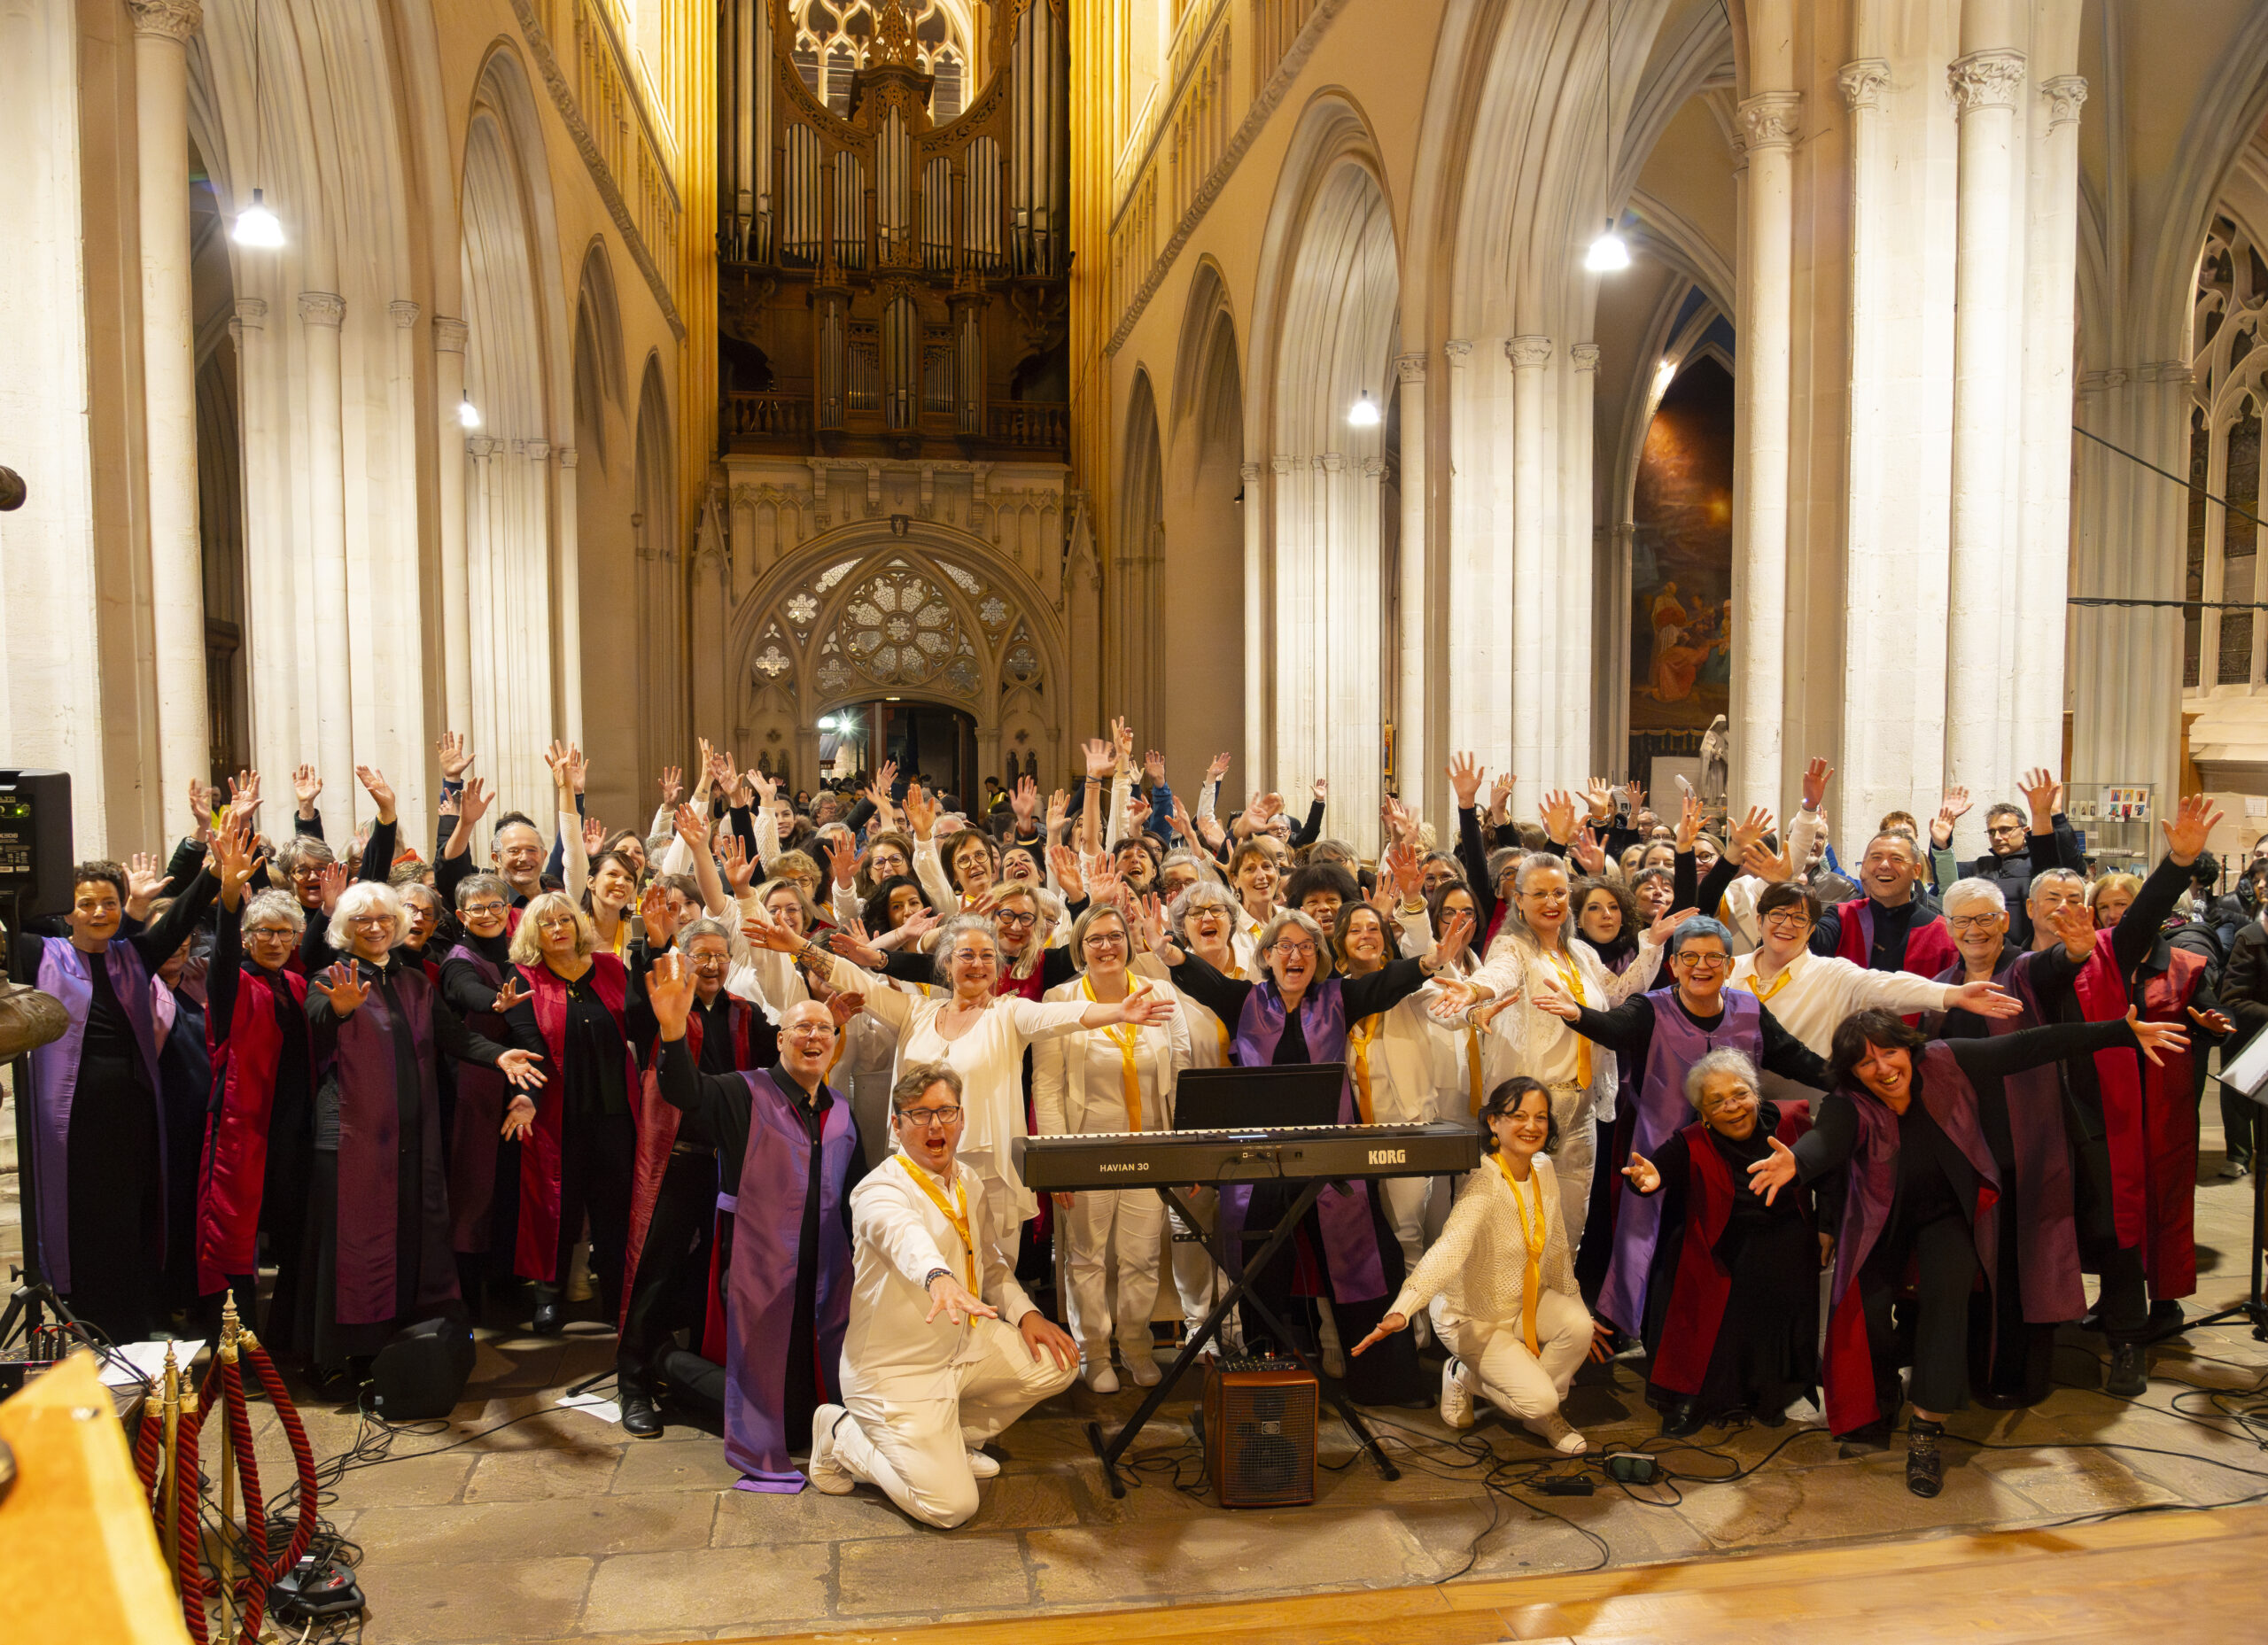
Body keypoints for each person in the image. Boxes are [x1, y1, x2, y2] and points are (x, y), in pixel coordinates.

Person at [1749, 1005, 2185, 1496]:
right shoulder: (1848, 1103)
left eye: (1889, 1053)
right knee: (1865, 1316)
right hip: (1878, 1221)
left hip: (1946, 1216)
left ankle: (1926, 1433)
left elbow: (2029, 1046)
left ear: (1908, 1049)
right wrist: (1798, 1161)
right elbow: (1827, 1141)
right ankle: (1880, 1400)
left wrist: (2118, 1030)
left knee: (1947, 1305)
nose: (1883, 1069)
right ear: (1852, 1072)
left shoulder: (1944, 1061)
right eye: (1866, 1062)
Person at [1153, 904, 1477, 1402]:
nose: (1296, 955)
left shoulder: (1337, 997)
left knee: (1366, 1261)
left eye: (1307, 947)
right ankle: (1265, 1387)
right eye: (1285, 946)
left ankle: (1383, 1383)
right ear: (1267, 955)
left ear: (1319, 957)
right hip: (1258, 1163)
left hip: (1331, 1160)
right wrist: (1170, 952)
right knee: (1261, 1270)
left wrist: (1428, 963)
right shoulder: (1245, 1000)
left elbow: (1384, 984)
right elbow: (1205, 981)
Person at [751, 907, 1175, 1270]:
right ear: (945, 963)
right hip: (920, 1170)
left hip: (989, 1177)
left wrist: (1117, 1011)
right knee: (927, 1277)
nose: (978, 964)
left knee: (992, 1283)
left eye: (988, 956)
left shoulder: (1009, 1015)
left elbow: (1063, 1017)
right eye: (966, 955)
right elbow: (855, 980)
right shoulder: (915, 1012)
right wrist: (798, 946)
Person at [1528, 915, 1831, 1342]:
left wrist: (1854, 1081)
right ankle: (1647, 1337)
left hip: (1732, 1161)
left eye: (1713, 958)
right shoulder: (1650, 1008)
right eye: (1689, 957)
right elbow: (1614, 1029)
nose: (1700, 966)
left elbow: (1795, 1057)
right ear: (1673, 965)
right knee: (1659, 1248)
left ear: (1729, 965)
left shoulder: (1748, 1010)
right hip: (1662, 1152)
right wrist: (1579, 1014)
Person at [808, 1065, 1079, 1527]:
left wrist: (1027, 1314)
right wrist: (938, 1276)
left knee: (1060, 1362)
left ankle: (950, 1442)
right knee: (952, 1508)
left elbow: (990, 1261)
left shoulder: (968, 1180)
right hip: (896, 1371)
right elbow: (902, 1235)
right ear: (897, 1125)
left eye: (946, 1112)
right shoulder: (878, 1190)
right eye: (919, 1114)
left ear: (961, 1118)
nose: (935, 1125)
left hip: (962, 1349)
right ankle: (841, 1434)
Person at [292, 882, 543, 1377]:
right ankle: (341, 1356)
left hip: (409, 1138)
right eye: (363, 920)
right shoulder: (331, 977)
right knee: (352, 1247)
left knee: (408, 1239)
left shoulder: (413, 981)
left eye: (385, 918)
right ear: (344, 927)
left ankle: (398, 1346)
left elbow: (454, 1037)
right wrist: (341, 1007)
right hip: (351, 1138)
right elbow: (318, 1019)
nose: (376, 927)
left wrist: (498, 1056)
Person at [649, 957, 866, 1487]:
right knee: (779, 1417)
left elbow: (856, 1195)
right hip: (760, 1269)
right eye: (802, 1028)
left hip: (823, 1276)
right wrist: (673, 1032)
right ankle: (666, 1363)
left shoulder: (840, 1109)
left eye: (824, 1029)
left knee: (808, 1412)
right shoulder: (743, 1093)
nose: (814, 1036)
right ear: (780, 1039)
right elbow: (685, 1094)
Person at [2056, 795, 2231, 1385]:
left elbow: (2211, 1009)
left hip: (2152, 1101)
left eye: (2121, 907)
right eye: (2102, 906)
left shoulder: (2158, 957)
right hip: (2093, 1103)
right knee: (2106, 1212)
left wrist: (2178, 863)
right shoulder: (2067, 959)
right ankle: (2109, 1304)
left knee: (2149, 1204)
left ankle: (2149, 1317)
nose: (2110, 915)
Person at [19, 850, 219, 1341]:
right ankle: (89, 1321)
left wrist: (215, 871)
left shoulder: (135, 955)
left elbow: (181, 918)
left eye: (109, 903)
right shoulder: (39, 953)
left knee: (132, 1220)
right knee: (87, 1223)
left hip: (133, 1117)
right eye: (86, 904)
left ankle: (132, 1325)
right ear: (67, 912)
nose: (99, 913)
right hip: (72, 1121)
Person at [1352, 1077, 1594, 1455]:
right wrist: (1403, 1309)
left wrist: (1575, 1302)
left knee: (1579, 1327)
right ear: (1494, 1122)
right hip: (1469, 1317)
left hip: (1521, 1304)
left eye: (1540, 1117)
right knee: (1541, 1397)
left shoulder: (1543, 1167)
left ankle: (1539, 1411)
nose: (1532, 1126)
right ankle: (1464, 1375)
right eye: (1518, 1116)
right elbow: (1450, 1247)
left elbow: (1558, 1247)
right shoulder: (1484, 1179)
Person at [616, 913, 781, 1439]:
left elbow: (780, 1060)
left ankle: (687, 1370)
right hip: (676, 1159)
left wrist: (831, 1020)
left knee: (717, 1272)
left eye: (719, 956)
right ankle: (632, 1383)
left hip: (729, 1162)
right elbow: (636, 1016)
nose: (711, 965)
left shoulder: (745, 1013)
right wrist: (653, 946)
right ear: (684, 959)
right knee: (653, 1269)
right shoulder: (662, 1007)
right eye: (701, 955)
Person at [1033, 904, 1192, 1391]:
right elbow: (1047, 1087)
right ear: (1080, 948)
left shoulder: (1160, 992)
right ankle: (1095, 1353)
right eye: (1095, 939)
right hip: (1086, 1146)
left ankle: (1137, 1346)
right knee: (1086, 1257)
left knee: (1141, 1256)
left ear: (1129, 941)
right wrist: (1057, 1163)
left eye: (1115, 936)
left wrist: (1184, 1151)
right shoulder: (1059, 999)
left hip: (1151, 1144)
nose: (1107, 946)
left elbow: (1181, 1073)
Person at [1620, 1050, 1817, 1436]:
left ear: (1756, 1094)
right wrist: (1645, 1181)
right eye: (1717, 1102)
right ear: (1703, 1115)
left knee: (1778, 1279)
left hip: (1784, 1240)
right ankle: (1700, 1396)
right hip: (1721, 1243)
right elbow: (1653, 1173)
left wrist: (1826, 1228)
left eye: (1740, 1094)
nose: (1733, 1106)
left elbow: (1827, 1174)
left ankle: (1769, 1395)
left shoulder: (1791, 1119)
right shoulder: (1691, 1140)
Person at [501, 891, 649, 1334]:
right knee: (555, 1207)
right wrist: (526, 1097)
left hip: (615, 1110)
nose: (558, 929)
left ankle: (617, 1298)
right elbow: (528, 1044)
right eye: (546, 923)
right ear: (533, 933)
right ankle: (547, 1298)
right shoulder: (523, 976)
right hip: (556, 1113)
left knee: (615, 1208)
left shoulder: (610, 966)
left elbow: (640, 1024)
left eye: (565, 919)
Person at [197, 826, 317, 1338]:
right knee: (234, 1237)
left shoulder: (297, 983)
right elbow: (223, 955)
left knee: (295, 1237)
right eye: (264, 932)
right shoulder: (233, 981)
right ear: (247, 937)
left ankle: (287, 1336)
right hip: (243, 1130)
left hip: (293, 1131)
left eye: (285, 933)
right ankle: (234, 1344)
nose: (275, 941)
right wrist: (229, 898)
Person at [439, 873, 527, 1310]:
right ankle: (469, 1298)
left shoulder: (517, 949)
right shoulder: (458, 958)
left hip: (514, 1077)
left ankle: (507, 1284)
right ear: (461, 915)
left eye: (496, 906)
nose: (489, 915)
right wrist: (494, 1001)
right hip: (474, 1083)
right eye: (478, 908)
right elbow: (466, 991)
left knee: (509, 1185)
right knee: (473, 1188)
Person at [1808, 832, 1955, 978]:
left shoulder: (1943, 933)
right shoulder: (1843, 917)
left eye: (1896, 859)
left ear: (1916, 871)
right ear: (1864, 866)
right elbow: (1811, 943)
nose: (1884, 865)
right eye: (1876, 857)